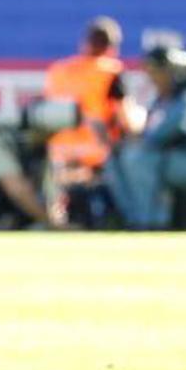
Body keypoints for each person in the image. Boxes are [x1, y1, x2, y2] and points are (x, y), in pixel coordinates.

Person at [105, 46, 186, 229]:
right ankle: (133, 218)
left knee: (139, 159)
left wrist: (139, 142)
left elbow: (166, 133)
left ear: (175, 73)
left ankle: (153, 223)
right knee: (115, 158)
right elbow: (148, 131)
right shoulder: (165, 97)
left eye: (158, 72)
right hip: (174, 158)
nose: (153, 78)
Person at [43, 17, 133, 225]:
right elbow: (127, 121)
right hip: (98, 156)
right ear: (112, 47)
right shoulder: (110, 71)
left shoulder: (59, 70)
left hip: (59, 154)